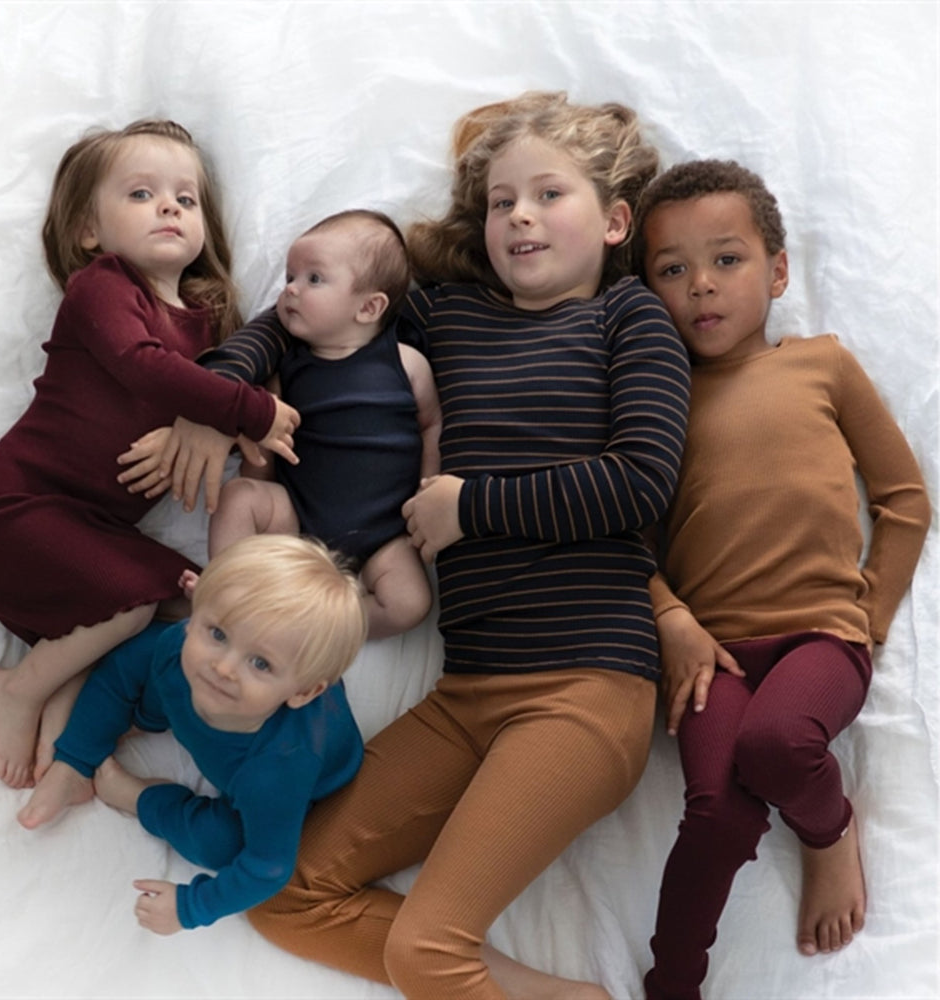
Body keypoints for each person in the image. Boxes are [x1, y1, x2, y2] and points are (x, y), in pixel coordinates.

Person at [129, 90, 691, 999]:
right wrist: (218, 398)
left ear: (615, 221)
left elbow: (640, 481)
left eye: (548, 195)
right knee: (284, 894)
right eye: (502, 201)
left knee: (429, 952)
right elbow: (313, 312)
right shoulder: (449, 317)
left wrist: (472, 508)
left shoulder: (629, 319)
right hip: (468, 692)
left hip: (585, 688)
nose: (520, 216)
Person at [633, 159, 930, 999]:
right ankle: (672, 985)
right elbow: (626, 542)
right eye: (672, 270)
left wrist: (868, 618)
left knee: (776, 747)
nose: (701, 285)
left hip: (820, 639)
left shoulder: (823, 365)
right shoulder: (654, 404)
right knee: (716, 810)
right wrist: (670, 618)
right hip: (712, 654)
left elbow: (905, 500)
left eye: (726, 259)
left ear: (778, 271)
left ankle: (829, 833)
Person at [0, 119, 301, 791]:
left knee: (195, 603)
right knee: (136, 605)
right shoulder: (104, 286)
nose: (169, 207)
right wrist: (246, 412)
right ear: (89, 230)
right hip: (23, 514)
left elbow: (241, 382)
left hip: (96, 532)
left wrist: (219, 424)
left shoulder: (209, 321)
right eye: (142, 194)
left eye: (185, 198)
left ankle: (70, 689)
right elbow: (144, 368)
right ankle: (19, 688)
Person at [17, 534, 367, 935]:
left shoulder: (278, 769)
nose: (223, 668)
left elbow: (267, 867)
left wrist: (190, 907)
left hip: (303, 782)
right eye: (218, 634)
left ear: (303, 692)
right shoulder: (180, 647)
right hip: (193, 703)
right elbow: (117, 676)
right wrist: (75, 755)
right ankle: (75, 769)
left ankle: (139, 797)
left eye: (260, 663)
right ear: (197, 609)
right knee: (131, 672)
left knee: (222, 845)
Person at [200, 209, 441, 639]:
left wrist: (428, 486)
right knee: (239, 496)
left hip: (383, 535)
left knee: (409, 603)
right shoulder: (286, 369)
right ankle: (229, 592)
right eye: (290, 276)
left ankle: (315, 627)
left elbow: (431, 426)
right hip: (296, 521)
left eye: (314, 278)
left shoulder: (407, 364)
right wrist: (259, 484)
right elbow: (266, 445)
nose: (291, 288)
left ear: (368, 307)